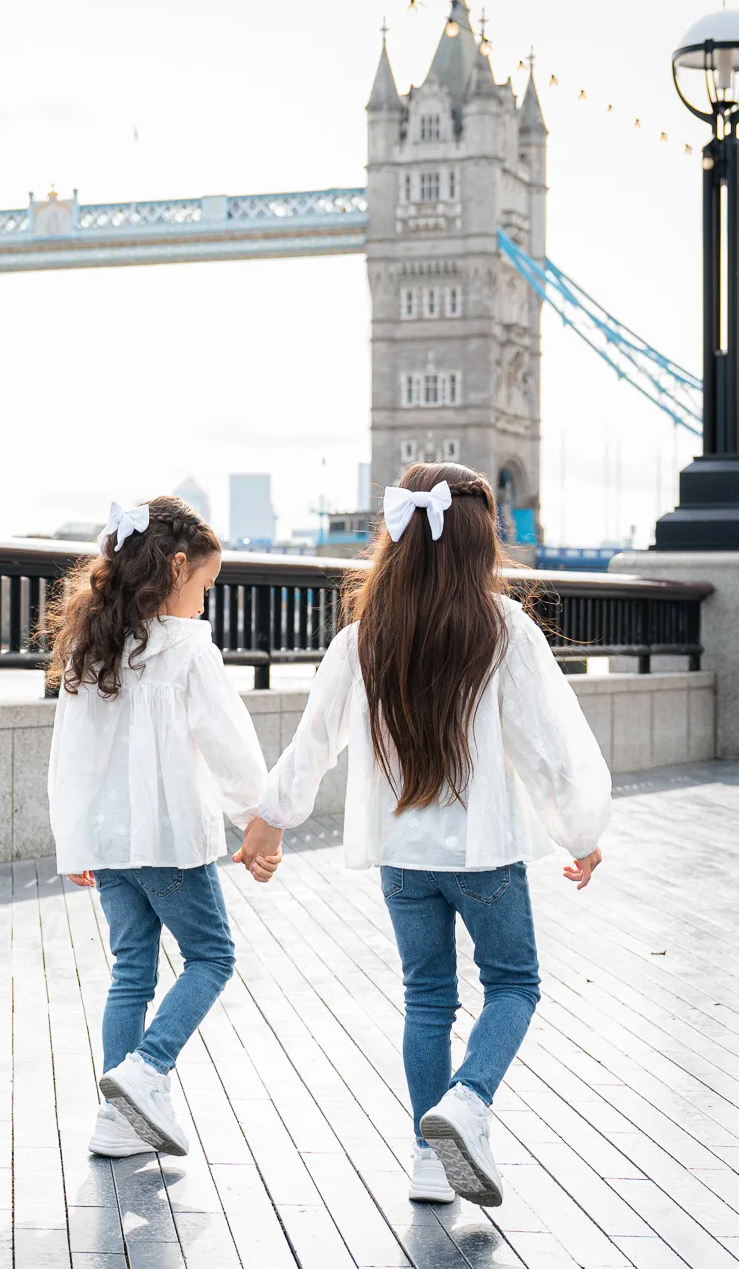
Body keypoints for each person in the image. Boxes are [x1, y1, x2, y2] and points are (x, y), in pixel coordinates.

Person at [251, 463, 611, 1207]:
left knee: (427, 998)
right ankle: (469, 1098)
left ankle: (426, 1155)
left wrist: (270, 819)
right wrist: (580, 830)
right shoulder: (504, 629)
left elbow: (314, 741)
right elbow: (547, 747)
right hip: (485, 853)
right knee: (513, 981)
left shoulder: (363, 637)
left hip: (401, 856)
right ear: (481, 547)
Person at [46, 495, 284, 1159]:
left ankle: (116, 1122)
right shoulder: (186, 650)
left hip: (110, 841)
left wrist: (74, 835)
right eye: (205, 587)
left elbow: (70, 753)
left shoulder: (90, 646)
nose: (205, 603)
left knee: (131, 970)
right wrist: (260, 821)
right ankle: (146, 1069)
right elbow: (231, 747)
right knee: (213, 955)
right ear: (177, 568)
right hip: (170, 841)